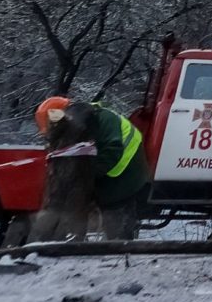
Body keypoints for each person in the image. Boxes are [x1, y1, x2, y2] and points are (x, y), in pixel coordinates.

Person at [27, 94, 152, 242]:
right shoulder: (78, 125)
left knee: (113, 212)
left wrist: (86, 175)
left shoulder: (104, 120)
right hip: (105, 168)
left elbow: (113, 150)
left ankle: (121, 248)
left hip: (126, 172)